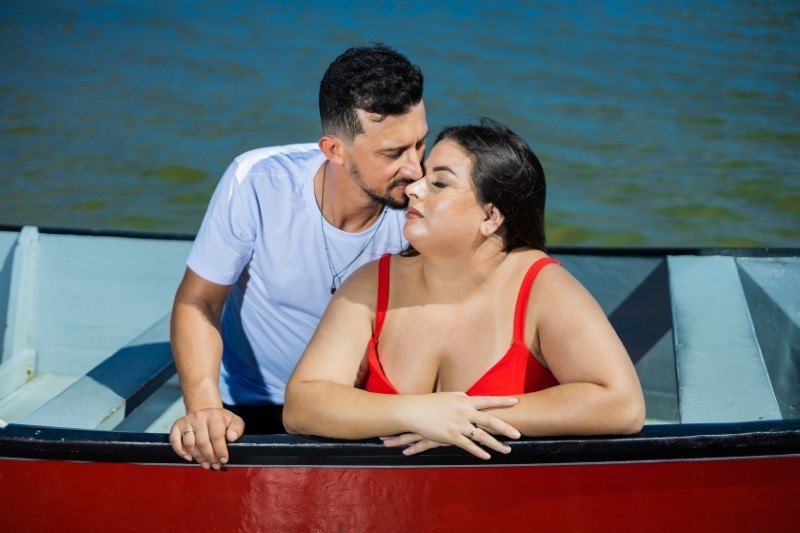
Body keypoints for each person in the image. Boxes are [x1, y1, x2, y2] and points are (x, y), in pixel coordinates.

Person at [283, 120, 645, 459]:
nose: (413, 188)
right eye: (423, 177)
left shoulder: (542, 288)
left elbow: (621, 404)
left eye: (439, 183)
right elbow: (302, 405)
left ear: (490, 217)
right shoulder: (372, 283)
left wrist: (468, 417)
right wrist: (416, 412)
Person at [169, 45, 428, 469]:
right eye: (393, 153)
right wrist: (203, 407)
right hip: (252, 405)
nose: (416, 170)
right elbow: (199, 302)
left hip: (367, 409)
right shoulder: (256, 180)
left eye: (421, 143)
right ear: (334, 150)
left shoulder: (426, 206)